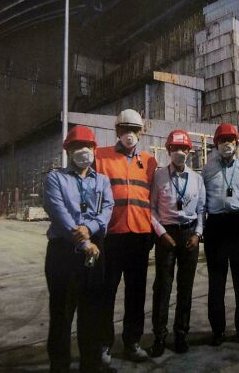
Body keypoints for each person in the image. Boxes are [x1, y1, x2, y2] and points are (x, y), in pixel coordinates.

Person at [43, 125, 114, 373]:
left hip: (95, 249)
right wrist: (83, 241)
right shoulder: (55, 178)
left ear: (95, 150)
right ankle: (60, 366)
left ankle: (91, 365)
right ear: (68, 150)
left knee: (92, 312)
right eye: (77, 146)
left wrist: (91, 228)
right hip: (64, 251)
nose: (83, 150)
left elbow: (107, 209)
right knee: (62, 314)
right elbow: (59, 214)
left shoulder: (102, 180)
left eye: (88, 146)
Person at [95, 109, 158, 364]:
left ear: (140, 133)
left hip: (140, 236)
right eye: (124, 130)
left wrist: (154, 232)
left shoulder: (150, 161)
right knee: (106, 292)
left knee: (136, 293)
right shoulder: (101, 157)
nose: (129, 135)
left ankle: (132, 342)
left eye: (134, 130)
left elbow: (155, 199)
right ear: (117, 132)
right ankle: (103, 344)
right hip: (111, 235)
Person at [148, 130, 206, 357]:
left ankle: (181, 333)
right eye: (175, 149)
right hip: (166, 236)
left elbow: (202, 210)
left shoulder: (197, 178)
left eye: (183, 149)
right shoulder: (159, 176)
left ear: (189, 151)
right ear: (168, 150)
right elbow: (151, 208)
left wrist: (198, 234)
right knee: (162, 287)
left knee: (185, 287)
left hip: (190, 236)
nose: (179, 153)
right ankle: (159, 336)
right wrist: (161, 233)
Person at [202, 123, 239, 346]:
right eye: (222, 140)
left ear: (237, 143)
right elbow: (201, 202)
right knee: (216, 282)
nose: (227, 144)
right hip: (215, 226)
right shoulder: (207, 170)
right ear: (216, 144)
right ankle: (218, 331)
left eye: (230, 140)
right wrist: (202, 228)